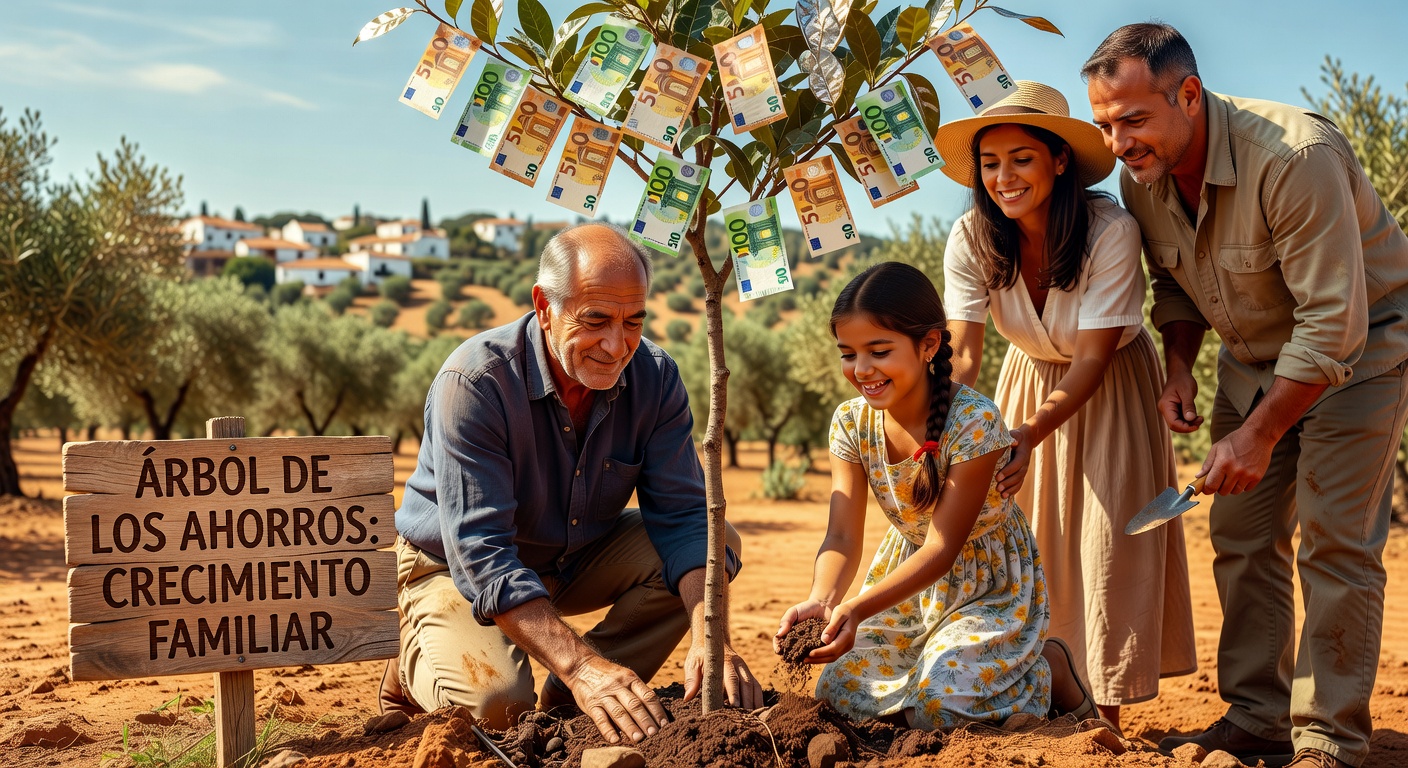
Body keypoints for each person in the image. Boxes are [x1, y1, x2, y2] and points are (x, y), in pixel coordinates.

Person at [1084, 23, 1408, 768]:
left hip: (1361, 353)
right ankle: (1260, 716)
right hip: (1254, 361)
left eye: (1133, 119)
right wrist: (1178, 367)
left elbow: (1332, 326)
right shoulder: (1142, 177)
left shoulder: (1295, 158)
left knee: (1335, 540)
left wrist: (1258, 435)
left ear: (1189, 95)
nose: (1118, 143)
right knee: (1240, 533)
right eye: (1104, 125)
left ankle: (1328, 738)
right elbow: (1174, 284)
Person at [386, 222, 762, 744]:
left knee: (717, 544)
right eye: (596, 320)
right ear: (545, 307)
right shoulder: (474, 383)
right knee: (498, 709)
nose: (617, 344)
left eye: (633, 321)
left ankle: (572, 701)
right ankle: (415, 661)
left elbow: (684, 517)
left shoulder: (655, 377)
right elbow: (482, 553)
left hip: (570, 559)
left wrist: (711, 636)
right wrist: (582, 665)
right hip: (451, 566)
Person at [932, 80, 1197, 732]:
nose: (1004, 177)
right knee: (1029, 549)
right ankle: (1039, 703)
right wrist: (934, 426)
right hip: (1026, 385)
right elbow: (963, 353)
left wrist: (1026, 433)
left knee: (1106, 550)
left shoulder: (1111, 230)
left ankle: (1102, 722)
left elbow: (1091, 360)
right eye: (990, 163)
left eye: (1021, 159)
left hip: (1109, 391)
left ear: (1058, 160)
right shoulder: (970, 236)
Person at [772, 262, 1100, 730]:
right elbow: (841, 536)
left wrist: (858, 609)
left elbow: (942, 549)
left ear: (928, 344)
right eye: (848, 354)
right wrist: (823, 601)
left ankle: (1048, 668)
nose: (861, 370)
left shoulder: (974, 422)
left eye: (879, 351)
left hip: (987, 586)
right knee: (839, 691)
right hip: (906, 584)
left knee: (938, 706)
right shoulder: (850, 423)